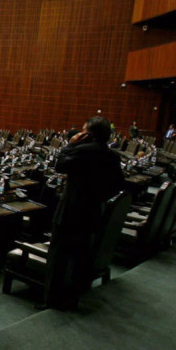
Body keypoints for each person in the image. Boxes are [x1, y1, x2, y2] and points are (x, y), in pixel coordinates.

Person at [45, 116, 124, 310]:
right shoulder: (113, 156)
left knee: (59, 256)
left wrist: (69, 145)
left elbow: (60, 165)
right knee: (81, 255)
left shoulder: (81, 150)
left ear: (87, 134)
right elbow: (117, 186)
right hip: (92, 212)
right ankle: (73, 297)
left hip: (70, 211)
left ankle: (52, 300)